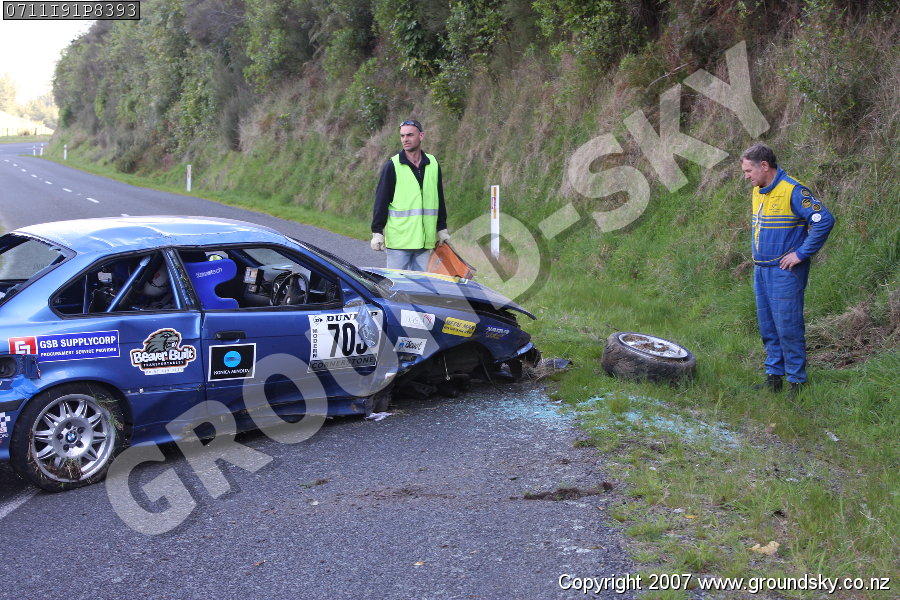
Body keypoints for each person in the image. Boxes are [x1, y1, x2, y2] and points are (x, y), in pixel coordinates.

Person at [740, 143, 835, 398]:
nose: (746, 176)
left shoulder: (793, 190)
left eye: (748, 171)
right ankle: (774, 378)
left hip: (785, 272)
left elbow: (823, 220)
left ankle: (796, 382)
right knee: (768, 327)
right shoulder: (758, 191)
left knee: (788, 327)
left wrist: (801, 254)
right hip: (761, 270)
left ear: (764, 166)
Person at [371, 119, 450, 271]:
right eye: (402, 136)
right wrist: (377, 232)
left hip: (424, 243)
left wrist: (442, 228)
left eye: (409, 135)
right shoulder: (392, 166)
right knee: (396, 285)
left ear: (421, 136)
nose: (405, 139)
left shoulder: (433, 164)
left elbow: (439, 199)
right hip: (399, 243)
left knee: (421, 285)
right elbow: (381, 201)